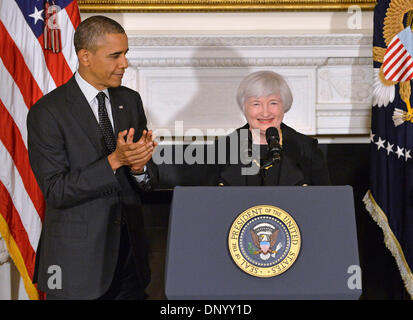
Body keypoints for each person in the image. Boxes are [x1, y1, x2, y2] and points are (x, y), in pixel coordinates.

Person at [27, 16, 158, 300]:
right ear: (85, 56)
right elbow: (56, 191)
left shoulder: (130, 100)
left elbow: (146, 177)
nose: (124, 64)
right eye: (115, 56)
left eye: (125, 54)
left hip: (130, 260)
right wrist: (115, 161)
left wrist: (139, 167)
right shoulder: (47, 112)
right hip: (77, 265)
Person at [214, 70, 330, 186]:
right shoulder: (222, 149)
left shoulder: (307, 149)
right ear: (244, 107)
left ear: (284, 105)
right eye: (256, 104)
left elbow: (325, 200)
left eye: (273, 103)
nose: (265, 113)